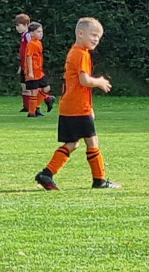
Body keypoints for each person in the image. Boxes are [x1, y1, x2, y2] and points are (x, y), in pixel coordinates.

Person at [35, 17, 118, 190]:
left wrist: (90, 107)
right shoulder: (81, 53)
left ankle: (46, 174)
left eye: (99, 37)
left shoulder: (75, 52)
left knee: (73, 143)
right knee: (92, 142)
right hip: (78, 106)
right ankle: (99, 180)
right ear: (80, 33)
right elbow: (84, 80)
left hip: (70, 105)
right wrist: (100, 82)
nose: (96, 39)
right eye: (93, 35)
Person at [20, 22, 52, 117]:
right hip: (33, 71)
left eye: (41, 32)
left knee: (46, 88)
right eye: (38, 32)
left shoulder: (38, 43)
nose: (41, 34)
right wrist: (30, 72)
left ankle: (35, 107)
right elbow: (29, 57)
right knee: (34, 91)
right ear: (31, 33)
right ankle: (32, 112)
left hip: (39, 71)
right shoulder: (31, 44)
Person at [13, 13, 32, 112]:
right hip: (24, 65)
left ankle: (45, 99)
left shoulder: (28, 35)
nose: (17, 28)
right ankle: (26, 106)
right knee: (23, 85)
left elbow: (30, 49)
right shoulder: (23, 36)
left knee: (29, 86)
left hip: (28, 65)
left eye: (18, 25)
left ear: (25, 25)